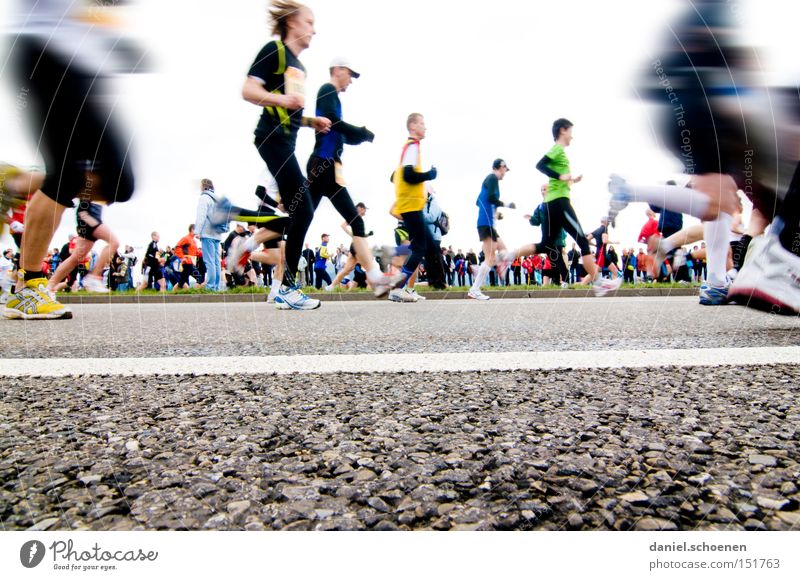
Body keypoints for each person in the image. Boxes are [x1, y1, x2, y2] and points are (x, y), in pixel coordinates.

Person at [2, 1, 140, 320]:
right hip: (44, 50)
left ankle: (15, 182)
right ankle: (30, 288)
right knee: (65, 175)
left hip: (83, 66)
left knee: (121, 182)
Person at [234, 0, 332, 310]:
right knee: (303, 208)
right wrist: (283, 97)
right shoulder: (273, 50)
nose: (313, 30)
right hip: (270, 139)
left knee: (298, 212)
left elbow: (289, 110)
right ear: (291, 22)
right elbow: (248, 91)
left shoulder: (299, 67)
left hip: (286, 142)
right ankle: (286, 286)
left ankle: (279, 286)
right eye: (309, 22)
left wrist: (309, 120)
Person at [498, 119, 620, 296]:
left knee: (546, 245)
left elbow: (558, 180)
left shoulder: (560, 152)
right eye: (570, 131)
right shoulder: (557, 149)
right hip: (560, 203)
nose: (572, 135)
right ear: (562, 131)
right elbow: (540, 165)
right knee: (583, 241)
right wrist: (560, 177)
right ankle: (599, 283)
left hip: (552, 203)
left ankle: (507, 257)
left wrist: (571, 180)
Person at [388, 113, 438, 303]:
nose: (425, 127)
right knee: (420, 246)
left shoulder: (412, 147)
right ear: (412, 126)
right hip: (410, 204)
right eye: (422, 124)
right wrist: (430, 174)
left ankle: (402, 287)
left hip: (410, 204)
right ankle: (398, 288)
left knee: (423, 246)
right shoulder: (412, 146)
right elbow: (409, 175)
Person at [46, 200, 119, 295]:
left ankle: (49, 287)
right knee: (114, 242)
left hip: (89, 212)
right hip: (89, 213)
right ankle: (94, 277)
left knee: (76, 258)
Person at [468, 159, 514, 300]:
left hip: (487, 222)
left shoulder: (488, 180)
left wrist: (494, 213)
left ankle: (484, 268)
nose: (505, 172)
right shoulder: (492, 178)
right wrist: (507, 204)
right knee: (490, 257)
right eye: (505, 169)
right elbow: (492, 197)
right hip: (485, 223)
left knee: (504, 251)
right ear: (500, 167)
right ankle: (475, 289)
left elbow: (479, 201)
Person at [195, 179, 227, 292]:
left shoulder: (204, 198)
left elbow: (201, 215)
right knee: (216, 261)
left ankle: (210, 286)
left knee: (209, 261)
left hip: (207, 233)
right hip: (217, 234)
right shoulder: (217, 199)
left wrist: (197, 231)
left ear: (202, 186)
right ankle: (216, 286)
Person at [422, 187, 448, 290]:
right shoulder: (425, 202)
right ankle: (433, 283)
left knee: (437, 259)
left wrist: (418, 214)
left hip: (434, 236)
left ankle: (442, 282)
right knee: (429, 260)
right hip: (428, 236)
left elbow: (431, 217)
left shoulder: (434, 203)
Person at [173, 225, 200, 290]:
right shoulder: (186, 238)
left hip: (191, 263)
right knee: (183, 281)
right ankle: (173, 293)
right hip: (186, 263)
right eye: (197, 229)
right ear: (192, 229)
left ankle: (192, 292)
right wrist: (182, 257)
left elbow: (196, 252)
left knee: (199, 278)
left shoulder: (194, 241)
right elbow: (177, 247)